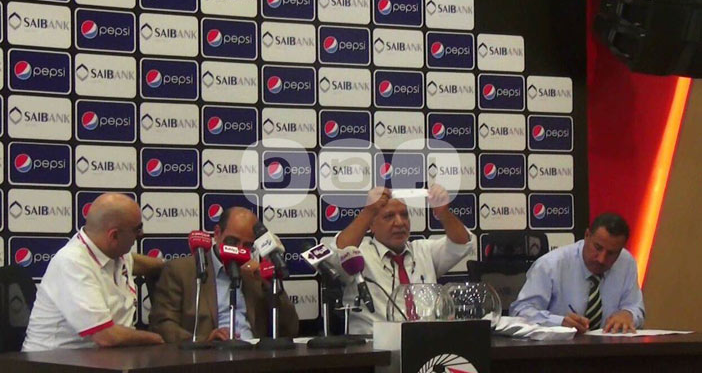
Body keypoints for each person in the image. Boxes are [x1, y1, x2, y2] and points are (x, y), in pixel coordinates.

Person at [22, 193, 165, 351]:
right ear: (114, 236)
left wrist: (180, 265)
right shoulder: (72, 262)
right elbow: (106, 336)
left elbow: (141, 263)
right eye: (137, 229)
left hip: (101, 356)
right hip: (53, 360)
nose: (141, 234)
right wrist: (159, 339)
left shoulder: (114, 252)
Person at [332, 185, 475, 334]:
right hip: (374, 344)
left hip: (426, 340)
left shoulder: (423, 250)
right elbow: (337, 254)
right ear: (371, 224)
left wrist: (444, 213)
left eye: (404, 215)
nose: (400, 222)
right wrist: (368, 211)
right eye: (389, 216)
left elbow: (462, 243)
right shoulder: (358, 256)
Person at [149, 207, 299, 342]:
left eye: (247, 245)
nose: (239, 249)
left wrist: (271, 286)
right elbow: (161, 325)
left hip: (253, 352)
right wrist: (204, 341)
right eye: (232, 241)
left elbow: (290, 329)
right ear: (217, 233)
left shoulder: (254, 275)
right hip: (209, 356)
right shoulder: (182, 270)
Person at [510, 213, 645, 333]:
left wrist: (628, 314)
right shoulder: (551, 265)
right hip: (557, 349)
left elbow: (636, 307)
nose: (601, 259)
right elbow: (520, 311)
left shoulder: (626, 262)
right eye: (598, 248)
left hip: (610, 348)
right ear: (587, 235)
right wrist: (559, 322)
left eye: (611, 253)